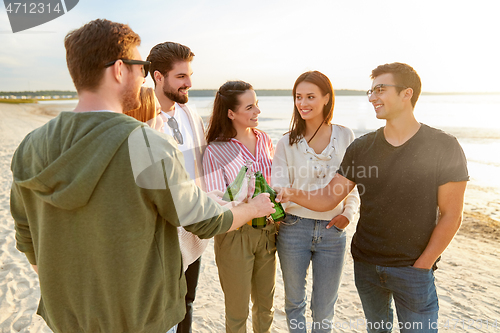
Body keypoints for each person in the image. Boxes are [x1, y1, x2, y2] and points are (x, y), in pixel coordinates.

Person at [10, 19, 275, 333]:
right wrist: (254, 208)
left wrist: (66, 291)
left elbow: (26, 237)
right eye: (141, 68)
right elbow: (205, 221)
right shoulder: (148, 144)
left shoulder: (30, 146)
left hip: (65, 317)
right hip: (139, 318)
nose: (144, 78)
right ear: (120, 70)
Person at [277, 62, 468, 333]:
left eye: (380, 89)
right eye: (371, 90)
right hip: (366, 267)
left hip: (412, 269)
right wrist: (291, 193)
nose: (372, 97)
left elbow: (452, 215)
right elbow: (327, 199)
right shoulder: (362, 147)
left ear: (407, 93)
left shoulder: (443, 146)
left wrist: (423, 265)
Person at [271, 71, 360, 333]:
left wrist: (348, 214)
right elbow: (279, 187)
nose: (303, 103)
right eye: (298, 97)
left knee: (324, 308)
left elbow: (353, 185)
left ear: (326, 98)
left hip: (333, 231)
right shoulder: (286, 142)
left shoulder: (346, 136)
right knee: (294, 303)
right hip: (293, 228)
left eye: (310, 96)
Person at [203, 80, 276, 333]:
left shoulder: (265, 139)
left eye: (256, 105)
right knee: (237, 312)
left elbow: (275, 180)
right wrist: (249, 204)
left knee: (266, 307)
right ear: (231, 113)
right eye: (250, 107)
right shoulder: (215, 150)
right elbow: (215, 202)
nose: (257, 112)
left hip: (268, 232)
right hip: (235, 235)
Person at [146, 42, 208, 333]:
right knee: (156, 305)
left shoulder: (191, 116)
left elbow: (204, 162)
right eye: (181, 76)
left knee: (187, 300)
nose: (190, 83)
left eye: (189, 74)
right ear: (159, 77)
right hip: (156, 230)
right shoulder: (138, 115)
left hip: (191, 226)